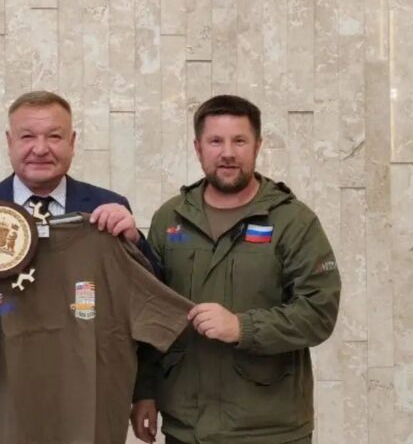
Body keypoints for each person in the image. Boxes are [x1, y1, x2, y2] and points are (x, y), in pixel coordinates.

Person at [130, 95, 341, 444]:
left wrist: (243, 327)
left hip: (270, 429)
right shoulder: (170, 219)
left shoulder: (293, 221)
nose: (227, 153)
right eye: (216, 141)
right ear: (198, 148)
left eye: (239, 141)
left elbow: (319, 312)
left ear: (258, 145)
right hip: (186, 427)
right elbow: (152, 313)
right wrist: (145, 392)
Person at [0, 90, 159, 325]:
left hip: (86, 351)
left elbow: (152, 303)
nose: (41, 149)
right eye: (27, 137)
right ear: (10, 142)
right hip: (2, 353)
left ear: (72, 142)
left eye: (54, 137)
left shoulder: (106, 208)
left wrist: (136, 243)